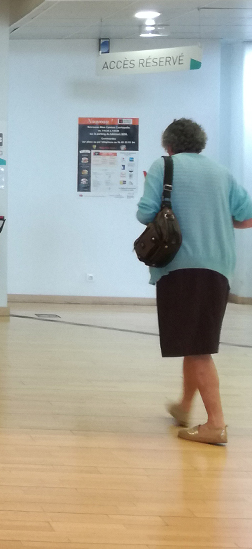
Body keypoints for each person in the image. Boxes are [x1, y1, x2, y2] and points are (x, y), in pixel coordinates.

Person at [138, 118, 252, 446]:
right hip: (219, 268)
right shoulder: (221, 172)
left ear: (168, 145)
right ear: (200, 143)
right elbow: (247, 216)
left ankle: (216, 424)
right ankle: (184, 406)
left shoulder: (164, 167)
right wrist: (215, 219)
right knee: (194, 340)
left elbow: (145, 214)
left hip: (181, 267)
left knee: (199, 348)